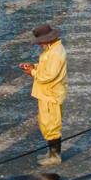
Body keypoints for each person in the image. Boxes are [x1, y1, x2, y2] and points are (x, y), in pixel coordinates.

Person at [18, 22, 68, 165]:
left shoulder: (55, 52)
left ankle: (55, 156)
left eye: (39, 42)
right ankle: (51, 153)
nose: (39, 45)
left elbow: (49, 75)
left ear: (47, 39)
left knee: (52, 124)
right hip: (47, 93)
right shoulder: (53, 49)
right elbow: (46, 68)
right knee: (45, 122)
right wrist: (34, 67)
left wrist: (32, 72)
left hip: (51, 94)